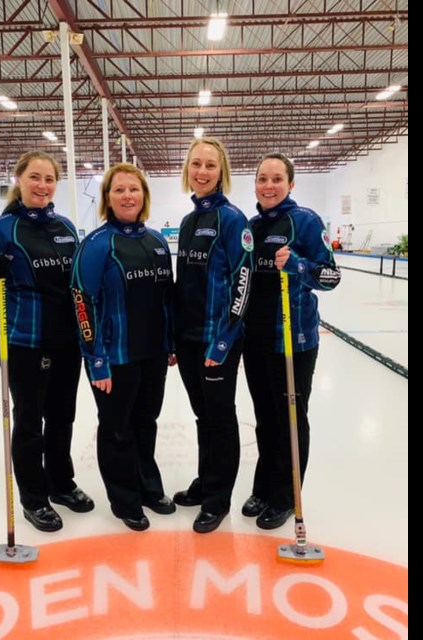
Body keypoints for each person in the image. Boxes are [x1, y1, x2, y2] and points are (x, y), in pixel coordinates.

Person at [0, 150, 95, 533]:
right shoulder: (1, 229)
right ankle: (34, 497)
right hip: (24, 341)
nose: (42, 186)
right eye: (35, 178)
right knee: (29, 421)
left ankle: (61, 483)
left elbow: (76, 283)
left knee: (63, 417)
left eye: (49, 179)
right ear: (19, 180)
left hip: (65, 341)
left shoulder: (66, 227)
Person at [70, 163, 177, 531]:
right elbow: (81, 302)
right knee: (117, 429)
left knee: (146, 423)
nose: (127, 195)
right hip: (114, 357)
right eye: (119, 190)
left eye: (134, 189)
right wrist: (95, 360)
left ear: (144, 196)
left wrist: (170, 343)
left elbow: (166, 299)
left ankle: (148, 487)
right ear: (107, 198)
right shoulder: (98, 244)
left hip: (152, 356)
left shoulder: (157, 241)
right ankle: (124, 499)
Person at [241, 152, 341, 529]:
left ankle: (285, 496)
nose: (268, 186)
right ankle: (264, 488)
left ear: (291, 184)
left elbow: (331, 276)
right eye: (262, 179)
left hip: (293, 341)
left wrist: (298, 265)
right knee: (265, 420)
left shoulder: (305, 221)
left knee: (291, 420)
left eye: (276, 179)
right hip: (258, 339)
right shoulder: (251, 227)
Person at [171, 137, 254, 533]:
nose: (201, 172)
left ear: (222, 172)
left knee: (220, 417)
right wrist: (174, 336)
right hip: (188, 339)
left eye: (210, 165)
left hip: (217, 340)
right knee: (203, 415)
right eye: (196, 164)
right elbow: (182, 283)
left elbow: (243, 281)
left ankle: (218, 499)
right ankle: (206, 483)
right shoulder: (188, 222)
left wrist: (223, 340)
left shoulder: (232, 219)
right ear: (188, 169)